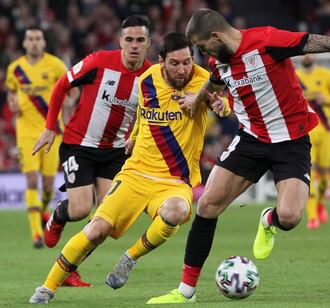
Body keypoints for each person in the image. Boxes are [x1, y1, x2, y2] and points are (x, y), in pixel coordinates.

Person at [147, 8, 330, 304]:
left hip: (291, 142)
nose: (204, 55)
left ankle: (269, 219)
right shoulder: (220, 61)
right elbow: (216, 81)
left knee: (291, 216)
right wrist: (199, 97)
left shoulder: (268, 41)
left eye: (204, 47)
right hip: (251, 140)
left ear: (216, 36)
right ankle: (185, 292)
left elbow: (325, 42)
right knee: (206, 206)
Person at [28, 32, 229, 304]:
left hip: (174, 180)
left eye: (187, 62)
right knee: (95, 229)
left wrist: (220, 105)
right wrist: (134, 135)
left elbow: (224, 104)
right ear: (160, 62)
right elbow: (144, 115)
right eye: (175, 63)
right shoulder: (147, 80)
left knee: (177, 211)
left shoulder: (203, 81)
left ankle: (130, 257)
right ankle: (47, 287)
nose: (183, 69)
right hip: (134, 174)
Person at [31, 15, 152, 287]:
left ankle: (69, 268)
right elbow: (62, 85)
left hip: (115, 152)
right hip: (79, 145)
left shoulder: (150, 77)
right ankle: (59, 215)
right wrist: (51, 127)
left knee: (106, 222)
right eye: (129, 39)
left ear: (149, 43)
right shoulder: (98, 62)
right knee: (81, 208)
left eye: (140, 40)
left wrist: (136, 139)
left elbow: (150, 116)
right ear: (120, 41)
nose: (134, 45)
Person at [5, 26, 75, 249]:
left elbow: (71, 88)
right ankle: (36, 233)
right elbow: (11, 92)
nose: (34, 42)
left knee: (46, 186)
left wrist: (70, 102)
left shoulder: (55, 65)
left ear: (43, 43)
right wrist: (12, 102)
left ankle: (44, 210)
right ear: (24, 44)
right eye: (30, 39)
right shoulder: (15, 69)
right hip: (26, 132)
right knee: (32, 180)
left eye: (37, 39)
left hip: (51, 130)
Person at [295, 54, 330, 229]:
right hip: (306, 130)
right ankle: (312, 216)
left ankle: (319, 202)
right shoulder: (294, 75)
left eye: (310, 53)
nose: (307, 56)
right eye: (304, 53)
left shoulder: (326, 74)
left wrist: (327, 98)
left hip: (325, 129)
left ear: (315, 56)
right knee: (311, 172)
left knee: (324, 176)